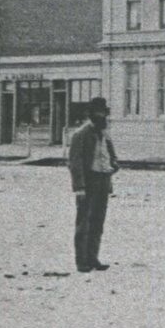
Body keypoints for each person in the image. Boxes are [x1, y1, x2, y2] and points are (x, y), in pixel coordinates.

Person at [66, 97, 118, 272]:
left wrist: (114, 164)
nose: (101, 116)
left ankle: (93, 257)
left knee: (98, 221)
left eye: (103, 113)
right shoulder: (80, 134)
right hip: (89, 182)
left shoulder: (104, 133)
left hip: (103, 180)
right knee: (84, 223)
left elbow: (111, 154)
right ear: (91, 114)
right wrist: (79, 187)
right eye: (98, 113)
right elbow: (75, 163)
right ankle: (81, 261)